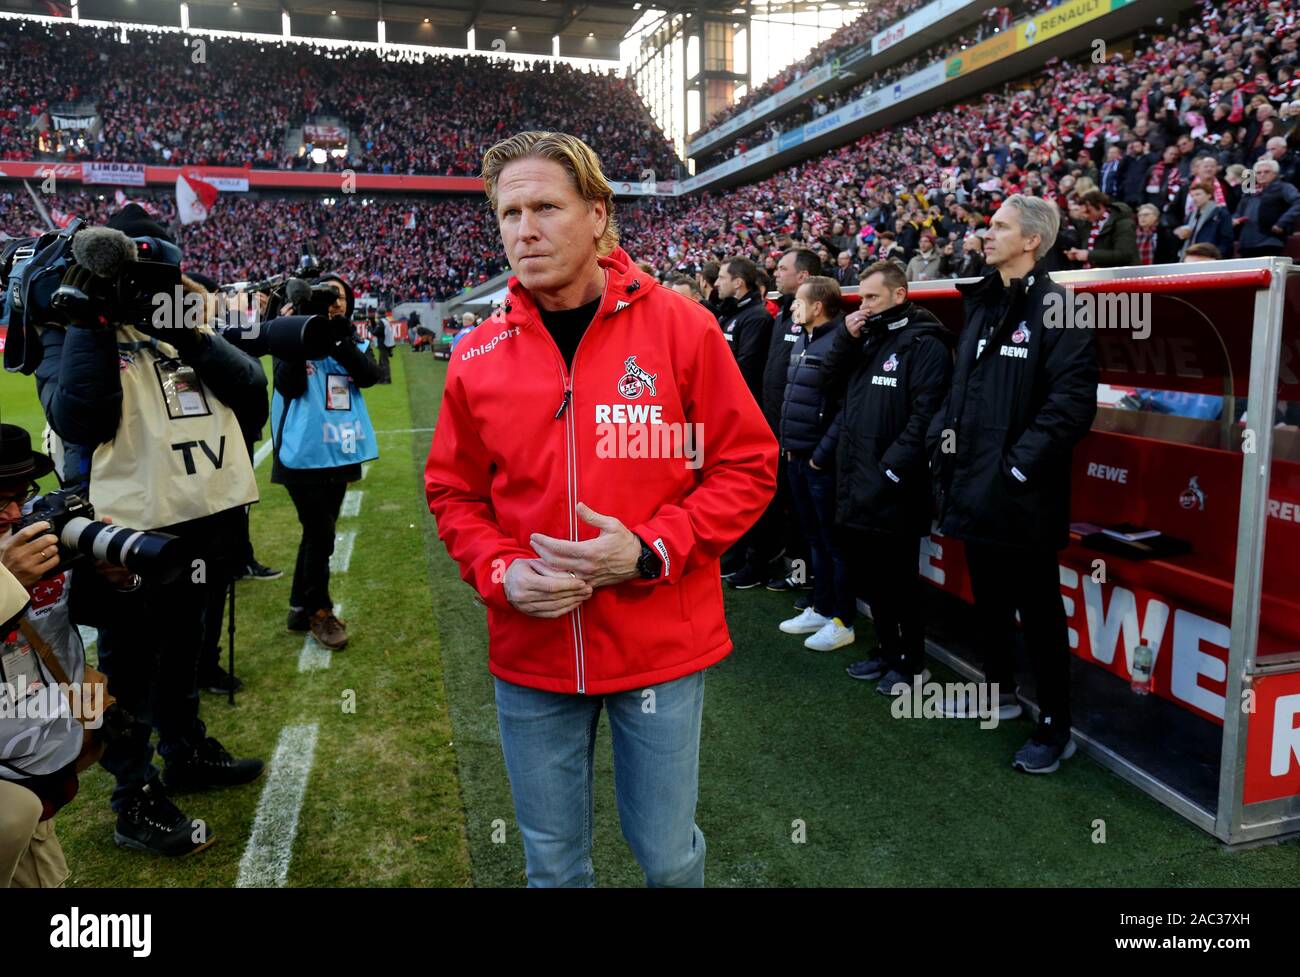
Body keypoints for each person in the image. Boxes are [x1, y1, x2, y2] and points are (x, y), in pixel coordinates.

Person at [425, 130, 777, 887]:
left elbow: (746, 465)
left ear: (596, 214)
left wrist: (650, 549)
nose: (525, 228)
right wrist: (500, 569)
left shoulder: (682, 328)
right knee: (552, 866)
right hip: (531, 648)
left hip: (658, 645)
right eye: (509, 212)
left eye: (546, 206)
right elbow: (453, 492)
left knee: (669, 856)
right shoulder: (475, 354)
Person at [34, 209, 265, 855]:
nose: (142, 291)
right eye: (129, 279)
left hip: (196, 521)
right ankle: (132, 797)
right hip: (124, 534)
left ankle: (185, 750)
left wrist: (188, 333)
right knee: (128, 665)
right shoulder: (70, 329)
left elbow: (253, 391)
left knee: (186, 646)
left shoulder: (179, 329)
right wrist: (89, 316)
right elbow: (83, 414)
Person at [927, 194, 1099, 774]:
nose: (986, 232)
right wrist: (945, 450)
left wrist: (1015, 468)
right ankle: (997, 693)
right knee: (991, 599)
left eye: (999, 226)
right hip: (973, 485)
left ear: (1031, 241)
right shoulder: (981, 303)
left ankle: (1056, 726)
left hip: (1022, 494)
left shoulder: (1061, 308)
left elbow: (1071, 406)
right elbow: (962, 393)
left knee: (1041, 611)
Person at [824, 262, 954, 692]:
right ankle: (885, 649)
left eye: (873, 297)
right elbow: (830, 381)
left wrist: (890, 470)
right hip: (857, 479)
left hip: (895, 485)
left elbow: (925, 417)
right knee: (874, 578)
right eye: (861, 297)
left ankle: (912, 661)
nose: (865, 305)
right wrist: (846, 336)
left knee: (900, 581)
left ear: (900, 295)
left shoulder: (926, 343)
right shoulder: (868, 337)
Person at [272, 273, 382, 651]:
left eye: (339, 297)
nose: (333, 303)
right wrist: (300, 330)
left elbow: (370, 376)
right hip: (301, 454)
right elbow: (289, 385)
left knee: (318, 532)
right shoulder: (292, 335)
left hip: (340, 450)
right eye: (324, 296)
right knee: (320, 532)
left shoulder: (348, 339)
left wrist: (335, 336)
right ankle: (319, 610)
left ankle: (300, 608)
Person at [775, 276, 855, 652]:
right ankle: (822, 608)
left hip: (819, 461)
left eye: (798, 302)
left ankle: (843, 619)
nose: (791, 307)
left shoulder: (840, 341)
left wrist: (822, 456)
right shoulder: (806, 340)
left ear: (818, 306)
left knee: (833, 542)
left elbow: (844, 407)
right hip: (796, 455)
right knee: (814, 539)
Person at [715, 255, 780, 589]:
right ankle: (736, 552)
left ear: (738, 282)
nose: (716, 284)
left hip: (743, 418)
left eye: (721, 278)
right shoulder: (734, 314)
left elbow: (744, 368)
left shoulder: (755, 317)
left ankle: (755, 559)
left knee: (749, 493)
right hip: (725, 417)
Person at [760, 248, 820, 597]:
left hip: (800, 440)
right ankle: (794, 570)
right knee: (786, 508)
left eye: (782, 268)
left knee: (802, 516)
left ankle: (804, 577)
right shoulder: (783, 314)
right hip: (776, 431)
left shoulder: (815, 322)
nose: (775, 273)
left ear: (803, 276)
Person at [1234, 157, 1300, 257]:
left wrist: (1282, 223)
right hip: (1246, 244)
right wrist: (1233, 220)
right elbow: (1237, 213)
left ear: (1275, 173)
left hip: (1270, 242)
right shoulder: (1248, 193)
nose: (1262, 174)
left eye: (1266, 172)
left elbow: (1298, 202)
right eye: (1258, 172)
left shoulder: (1284, 187)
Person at [1065, 190, 1139, 268]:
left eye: (1087, 211)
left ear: (1100, 206)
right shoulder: (1087, 224)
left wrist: (1089, 255)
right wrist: (1076, 254)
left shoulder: (1123, 223)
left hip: (1119, 274)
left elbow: (1124, 254)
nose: (1085, 216)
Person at [1175, 181, 1235, 259]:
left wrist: (1216, 257)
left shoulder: (1221, 213)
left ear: (1209, 195)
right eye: (1192, 196)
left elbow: (1227, 240)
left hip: (1210, 257)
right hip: (1192, 257)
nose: (1194, 198)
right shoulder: (1191, 215)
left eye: (1198, 194)